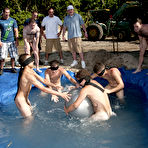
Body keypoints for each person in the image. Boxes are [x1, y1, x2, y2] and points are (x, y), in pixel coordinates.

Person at [15, 54, 70, 118]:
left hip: (25, 99)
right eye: (31, 60)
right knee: (28, 120)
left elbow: (43, 81)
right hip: (21, 100)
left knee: (31, 117)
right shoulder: (27, 74)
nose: (33, 61)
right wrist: (61, 94)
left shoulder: (30, 70)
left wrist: (55, 85)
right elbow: (43, 88)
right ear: (27, 62)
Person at [0, 8, 19, 75]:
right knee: (2, 56)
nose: (7, 14)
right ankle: (1, 68)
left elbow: (16, 30)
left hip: (12, 41)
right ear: (3, 12)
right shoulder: (0, 21)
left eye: (8, 12)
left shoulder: (13, 20)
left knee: (13, 56)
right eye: (6, 12)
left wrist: (17, 40)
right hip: (3, 41)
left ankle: (13, 68)